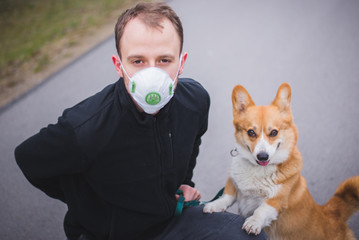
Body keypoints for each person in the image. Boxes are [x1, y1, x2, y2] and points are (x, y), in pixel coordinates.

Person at [15, 2, 267, 240]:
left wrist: (184, 183)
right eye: (138, 61)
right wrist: (93, 208)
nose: (152, 73)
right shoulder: (87, 127)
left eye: (164, 60)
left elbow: (192, 143)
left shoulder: (195, 101)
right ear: (118, 65)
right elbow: (28, 158)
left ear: (181, 63)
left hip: (170, 220)